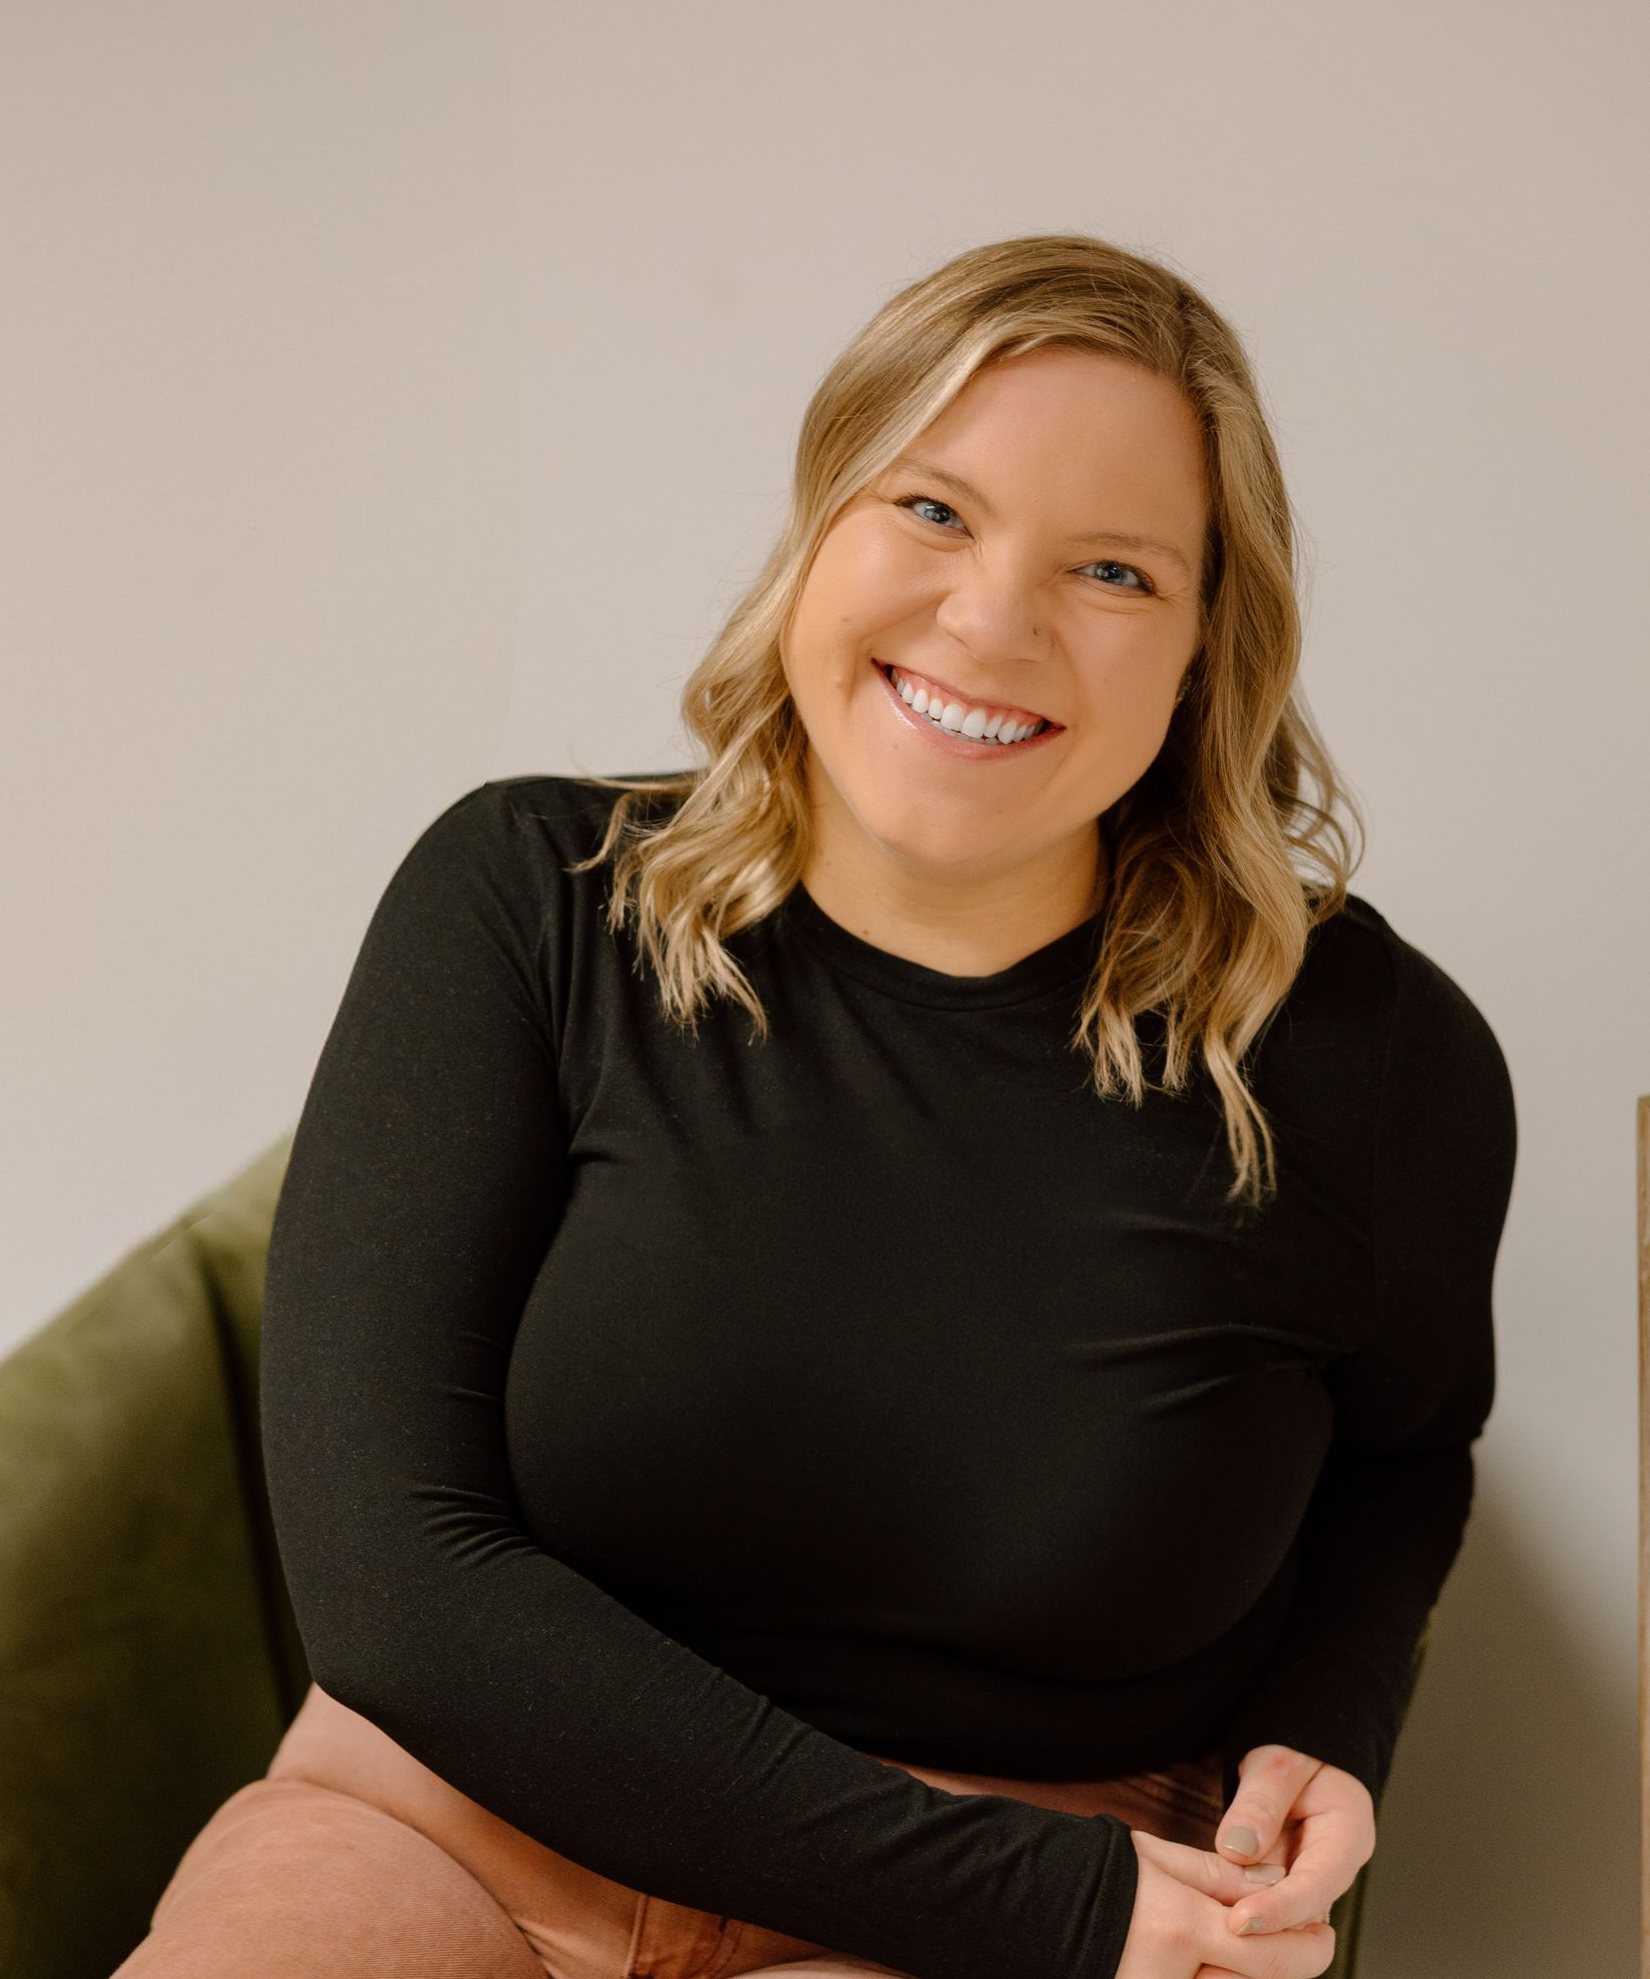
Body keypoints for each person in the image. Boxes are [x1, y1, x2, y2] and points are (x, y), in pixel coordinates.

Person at [111, 233, 1516, 1979]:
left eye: (1112, 568)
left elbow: (1400, 1451)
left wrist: (1330, 1723)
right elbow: (393, 1582)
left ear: (1208, 649)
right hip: (449, 1823)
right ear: (818, 525)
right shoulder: (530, 898)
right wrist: (1032, 1904)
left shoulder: (1365, 1056)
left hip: (1025, 1865)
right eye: (931, 510)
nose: (990, 622)